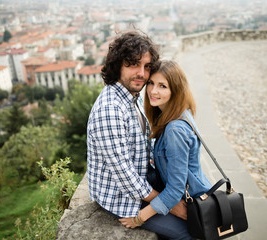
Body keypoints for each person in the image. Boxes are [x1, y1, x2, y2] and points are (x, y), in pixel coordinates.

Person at [87, 32, 188, 239]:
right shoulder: (110, 110)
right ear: (118, 65)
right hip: (122, 196)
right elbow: (125, 175)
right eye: (133, 64)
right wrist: (168, 204)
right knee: (188, 232)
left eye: (147, 66)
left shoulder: (130, 97)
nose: (142, 73)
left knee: (196, 207)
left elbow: (142, 144)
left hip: (143, 177)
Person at [119, 60, 212, 239]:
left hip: (192, 203)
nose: (153, 91)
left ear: (175, 90)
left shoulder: (175, 129)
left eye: (163, 86)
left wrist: (138, 219)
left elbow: (176, 189)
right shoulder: (178, 113)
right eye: (151, 83)